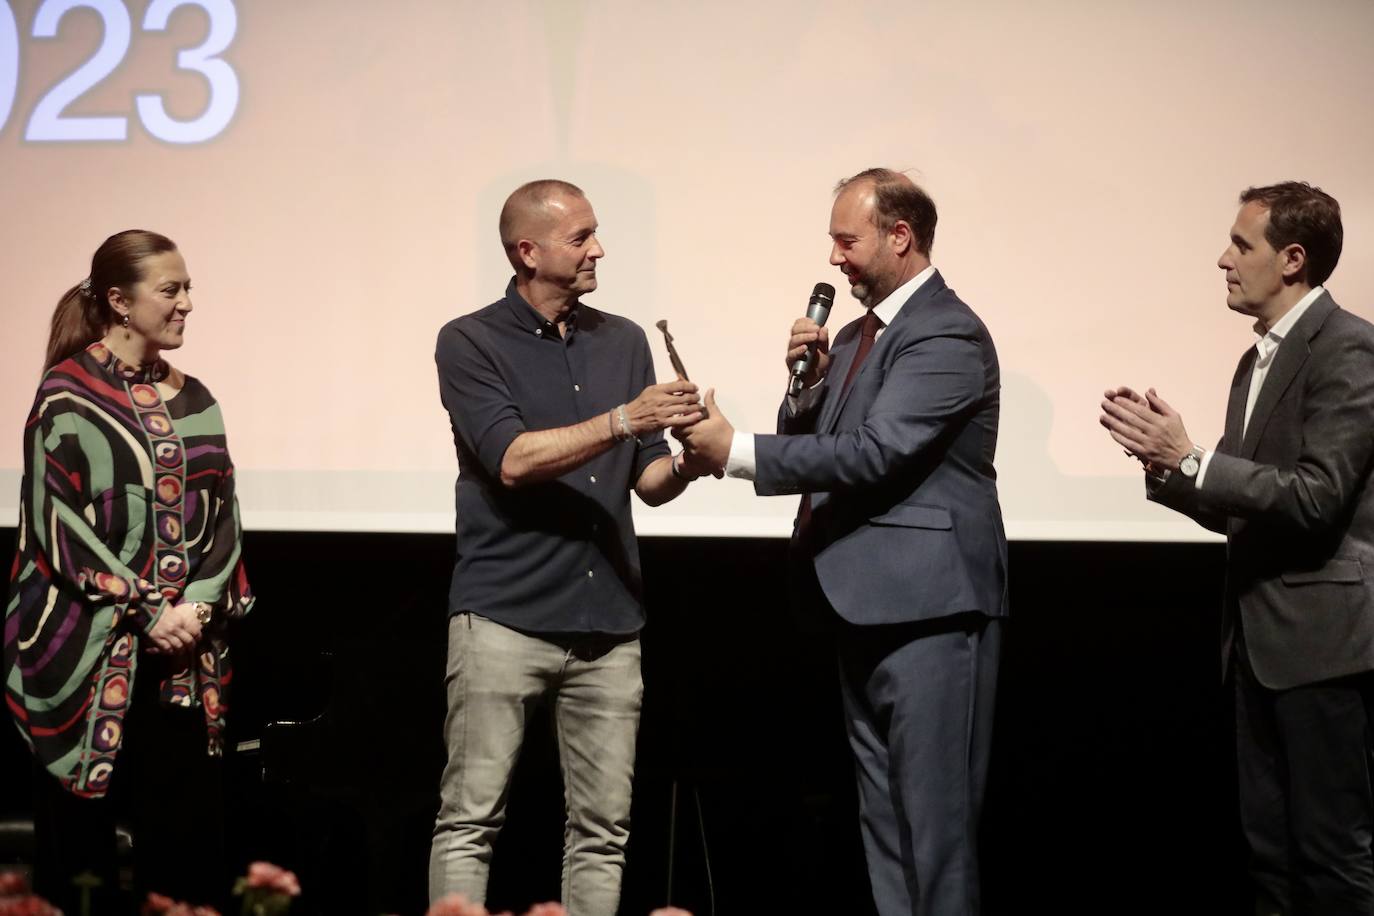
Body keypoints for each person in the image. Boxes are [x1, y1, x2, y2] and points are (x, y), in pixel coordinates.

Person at [677, 168, 1007, 916]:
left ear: (901, 236)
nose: (833, 258)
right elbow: (823, 446)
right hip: (860, 604)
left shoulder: (946, 332)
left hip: (930, 607)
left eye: (846, 239)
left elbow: (876, 454)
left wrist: (736, 449)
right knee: (885, 825)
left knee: (936, 828)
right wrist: (805, 389)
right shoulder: (858, 336)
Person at [429, 179, 707, 914]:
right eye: (581, 237)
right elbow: (513, 459)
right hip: (503, 617)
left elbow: (647, 481)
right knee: (469, 820)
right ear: (528, 251)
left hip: (609, 624)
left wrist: (691, 459)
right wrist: (623, 420)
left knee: (602, 831)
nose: (598, 250)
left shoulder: (623, 340)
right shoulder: (470, 340)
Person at [1101, 181, 1374, 915]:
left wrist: (1192, 458)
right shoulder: (1253, 361)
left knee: (1331, 852)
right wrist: (1165, 464)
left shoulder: (1349, 347)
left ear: (1292, 259)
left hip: (1324, 647)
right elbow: (1241, 512)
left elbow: (1317, 498)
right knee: (1269, 856)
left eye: (1241, 245)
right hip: (1256, 642)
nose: (1223, 259)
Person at [4, 229, 254, 912]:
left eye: (187, 288)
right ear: (119, 301)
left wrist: (197, 609)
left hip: (181, 660)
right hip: (87, 658)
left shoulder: (197, 398)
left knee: (184, 858)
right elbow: (57, 524)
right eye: (171, 290)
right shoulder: (69, 396)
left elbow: (223, 519)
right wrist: (148, 609)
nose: (187, 304)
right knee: (78, 862)